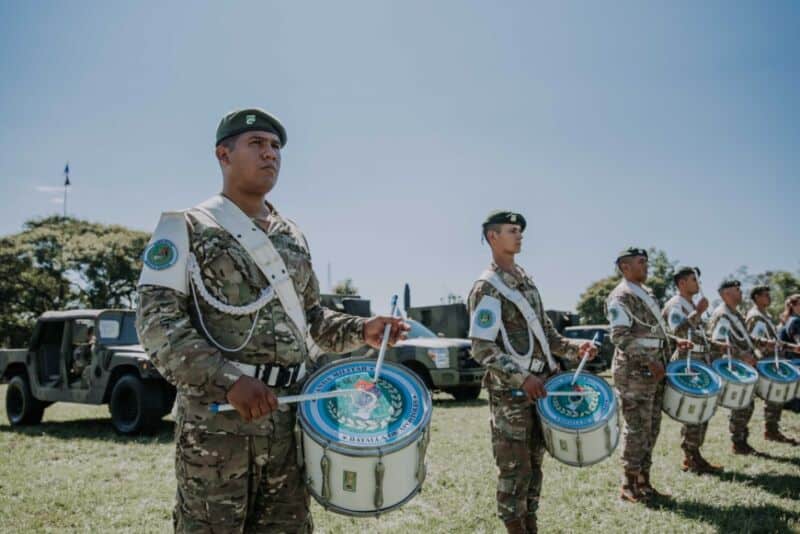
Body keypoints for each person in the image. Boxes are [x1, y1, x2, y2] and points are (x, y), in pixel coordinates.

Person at [135, 108, 407, 533]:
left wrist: (362, 329)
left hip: (289, 419)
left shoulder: (291, 235)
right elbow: (158, 323)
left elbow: (311, 319)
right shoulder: (185, 227)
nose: (270, 154)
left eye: (276, 146)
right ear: (223, 154)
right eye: (257, 144)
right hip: (219, 423)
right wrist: (228, 379)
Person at [467, 210, 597, 534]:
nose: (519, 235)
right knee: (515, 467)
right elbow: (482, 347)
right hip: (512, 393)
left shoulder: (526, 281)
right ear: (493, 236)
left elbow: (547, 334)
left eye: (520, 230)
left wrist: (575, 348)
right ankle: (515, 527)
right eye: (512, 230)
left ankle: (531, 524)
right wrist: (522, 378)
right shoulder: (487, 287)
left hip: (541, 387)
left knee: (536, 464)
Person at [606, 248, 692, 502]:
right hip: (634, 372)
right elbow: (619, 336)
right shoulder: (621, 296)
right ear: (625, 267)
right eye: (641, 262)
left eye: (646, 261)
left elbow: (651, 332)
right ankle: (628, 484)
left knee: (652, 427)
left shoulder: (646, 293)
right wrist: (649, 360)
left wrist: (674, 340)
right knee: (637, 428)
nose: (646, 266)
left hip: (654, 370)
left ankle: (644, 480)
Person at [661, 266, 725, 473]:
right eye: (693, 280)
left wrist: (717, 345)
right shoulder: (675, 304)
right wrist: (698, 311)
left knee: (703, 407)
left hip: (700, 359)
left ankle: (695, 454)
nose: (698, 284)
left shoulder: (689, 304)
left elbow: (698, 335)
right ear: (681, 283)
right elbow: (677, 331)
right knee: (694, 407)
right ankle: (690, 456)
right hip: (687, 360)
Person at [707, 279, 770, 455]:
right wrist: (741, 355)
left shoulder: (735, 314)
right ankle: (738, 442)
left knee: (746, 404)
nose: (741, 292)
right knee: (742, 404)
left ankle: (741, 440)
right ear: (726, 294)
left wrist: (765, 343)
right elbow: (719, 342)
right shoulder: (722, 315)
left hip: (742, 366)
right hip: (732, 366)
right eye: (737, 290)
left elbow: (746, 338)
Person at [746, 285, 800, 445]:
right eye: (765, 295)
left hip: (773, 361)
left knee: (775, 399)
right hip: (765, 362)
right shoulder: (755, 316)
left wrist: (791, 347)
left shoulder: (766, 315)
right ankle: (766, 433)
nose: (769, 298)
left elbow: (774, 341)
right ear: (756, 297)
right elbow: (752, 341)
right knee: (771, 398)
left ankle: (772, 431)